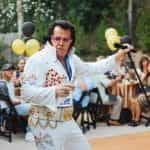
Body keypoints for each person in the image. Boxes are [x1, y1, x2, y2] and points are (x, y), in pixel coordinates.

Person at [21, 19, 133, 150]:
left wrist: (117, 56)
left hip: (68, 120)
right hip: (45, 123)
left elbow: (93, 68)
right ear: (51, 39)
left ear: (71, 41)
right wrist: (53, 91)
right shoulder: (37, 60)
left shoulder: (72, 59)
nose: (60, 43)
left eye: (65, 39)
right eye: (57, 38)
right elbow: (26, 93)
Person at [0, 63, 33, 142]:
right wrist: (21, 101)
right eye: (9, 70)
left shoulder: (9, 82)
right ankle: (30, 133)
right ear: (4, 72)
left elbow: (12, 97)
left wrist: (21, 100)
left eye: (12, 70)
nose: (12, 72)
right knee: (34, 108)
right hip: (10, 108)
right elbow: (10, 101)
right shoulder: (2, 84)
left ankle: (28, 129)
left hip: (13, 106)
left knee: (32, 106)